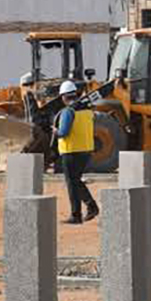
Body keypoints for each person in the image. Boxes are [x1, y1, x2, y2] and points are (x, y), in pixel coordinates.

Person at [55, 80, 99, 224]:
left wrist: (55, 132)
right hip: (86, 151)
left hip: (71, 151)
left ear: (63, 97)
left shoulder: (68, 111)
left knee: (72, 183)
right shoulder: (87, 111)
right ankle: (91, 206)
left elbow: (63, 132)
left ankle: (76, 215)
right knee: (76, 181)